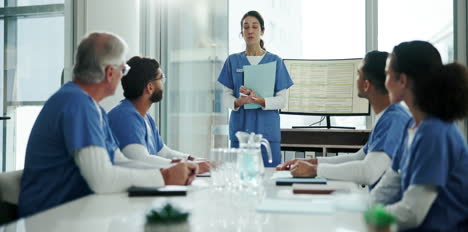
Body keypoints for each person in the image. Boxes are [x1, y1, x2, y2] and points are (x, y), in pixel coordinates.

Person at [18, 32, 198, 218]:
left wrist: (167, 171)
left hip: (75, 212)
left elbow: (120, 161)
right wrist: (165, 177)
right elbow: (102, 179)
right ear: (110, 72)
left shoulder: (92, 107)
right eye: (123, 70)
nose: (123, 77)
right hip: (50, 219)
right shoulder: (77, 104)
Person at [370, 40, 468, 231]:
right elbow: (391, 184)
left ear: (403, 81)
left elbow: (412, 212)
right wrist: (363, 208)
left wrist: (369, 216)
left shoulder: (435, 133)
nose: (385, 82)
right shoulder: (412, 126)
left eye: (388, 74)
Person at [277, 51, 411, 189]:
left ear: (366, 85)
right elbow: (358, 158)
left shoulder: (394, 120)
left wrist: (314, 170)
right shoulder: (388, 116)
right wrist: (311, 162)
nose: (356, 79)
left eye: (358, 74)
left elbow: (368, 172)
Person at [217, 11, 293, 167]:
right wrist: (238, 102)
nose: (250, 31)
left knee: (269, 178)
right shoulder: (233, 61)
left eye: (254, 26)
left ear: (262, 31)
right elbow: (225, 97)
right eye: (246, 27)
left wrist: (261, 101)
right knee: (240, 177)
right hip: (241, 132)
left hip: (267, 133)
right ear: (242, 33)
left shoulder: (275, 62)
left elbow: (282, 100)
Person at [108, 56, 210, 173]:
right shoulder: (125, 117)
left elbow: (164, 152)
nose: (163, 84)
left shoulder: (145, 117)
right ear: (150, 87)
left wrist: (195, 161)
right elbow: (139, 160)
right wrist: (189, 166)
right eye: (161, 78)